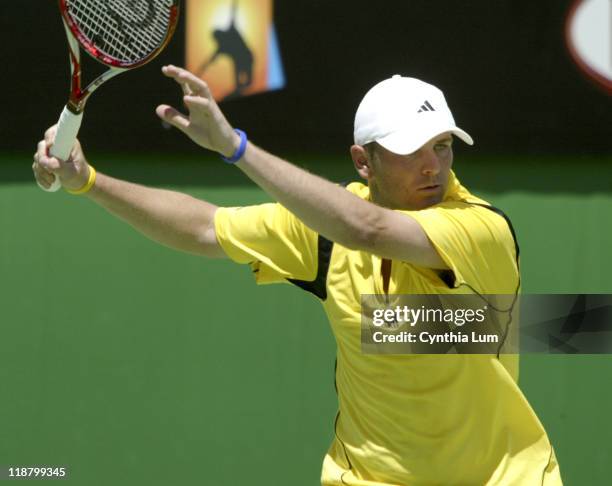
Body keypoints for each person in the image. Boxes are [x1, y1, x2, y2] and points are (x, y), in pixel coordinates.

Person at [33, 65, 562, 485]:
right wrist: (88, 182)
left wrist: (235, 149)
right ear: (364, 162)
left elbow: (370, 229)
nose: (433, 167)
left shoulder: (479, 227)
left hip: (504, 478)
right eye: (411, 151)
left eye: (442, 146)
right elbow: (201, 227)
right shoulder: (324, 234)